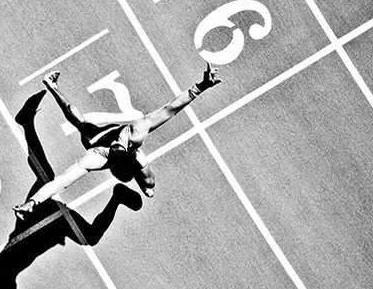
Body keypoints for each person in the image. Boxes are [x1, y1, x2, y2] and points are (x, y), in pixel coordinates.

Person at [13, 62, 222, 220]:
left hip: (117, 151)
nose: (116, 145)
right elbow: (62, 181)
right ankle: (51, 87)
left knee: (149, 186)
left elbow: (170, 110)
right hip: (99, 144)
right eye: (116, 148)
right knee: (78, 121)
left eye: (117, 147)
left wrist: (201, 86)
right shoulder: (98, 155)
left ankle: (31, 114)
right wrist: (33, 202)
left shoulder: (135, 132)